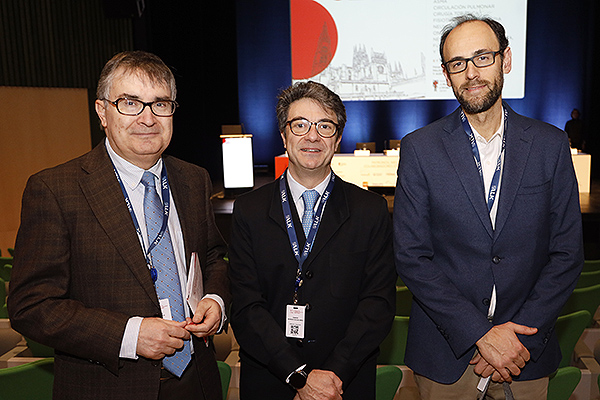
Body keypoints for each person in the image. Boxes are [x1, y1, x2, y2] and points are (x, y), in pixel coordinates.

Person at [8, 51, 230, 400]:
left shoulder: (194, 179)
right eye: (130, 103)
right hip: (108, 386)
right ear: (102, 112)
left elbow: (214, 256)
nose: (147, 118)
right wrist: (130, 334)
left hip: (196, 381)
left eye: (160, 104)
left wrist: (215, 299)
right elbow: (30, 305)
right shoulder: (56, 189)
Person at [393, 15, 583, 399]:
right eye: (457, 63)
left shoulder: (550, 145)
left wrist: (517, 337)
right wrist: (479, 334)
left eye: (482, 57)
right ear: (446, 74)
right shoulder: (419, 148)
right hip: (448, 356)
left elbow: (566, 254)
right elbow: (412, 257)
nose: (471, 73)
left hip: (524, 353)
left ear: (506, 60)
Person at [229, 81, 396, 400]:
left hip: (345, 382)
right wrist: (297, 375)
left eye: (325, 125)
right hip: (271, 378)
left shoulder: (370, 210)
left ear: (338, 138)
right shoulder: (248, 210)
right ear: (284, 135)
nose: (312, 136)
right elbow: (247, 306)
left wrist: (334, 375)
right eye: (300, 124)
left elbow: (378, 304)